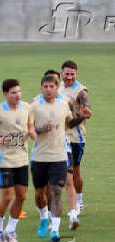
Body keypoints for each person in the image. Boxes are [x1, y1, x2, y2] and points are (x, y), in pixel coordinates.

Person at [29, 76, 89, 242]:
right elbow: (27, 129)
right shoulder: (33, 106)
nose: (48, 89)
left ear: (57, 88)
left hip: (60, 155)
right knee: (40, 193)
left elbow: (69, 124)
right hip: (40, 156)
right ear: (41, 87)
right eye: (45, 86)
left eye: (51, 86)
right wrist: (41, 129)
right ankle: (43, 218)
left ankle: (55, 229)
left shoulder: (64, 105)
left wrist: (82, 117)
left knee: (56, 191)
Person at [0, 79, 36, 242]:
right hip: (4, 160)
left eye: (19, 91)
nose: (17, 95)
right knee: (7, 196)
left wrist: (35, 135)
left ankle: (10, 231)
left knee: (22, 196)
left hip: (22, 160)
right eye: (13, 92)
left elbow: (29, 127)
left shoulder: (26, 107)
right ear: (5, 94)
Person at [59, 60, 92, 212]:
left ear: (76, 74)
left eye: (72, 74)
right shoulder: (57, 87)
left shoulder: (81, 91)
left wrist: (70, 121)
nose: (69, 77)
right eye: (67, 74)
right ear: (62, 73)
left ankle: (78, 201)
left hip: (75, 138)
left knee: (74, 171)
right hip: (58, 137)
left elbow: (88, 113)